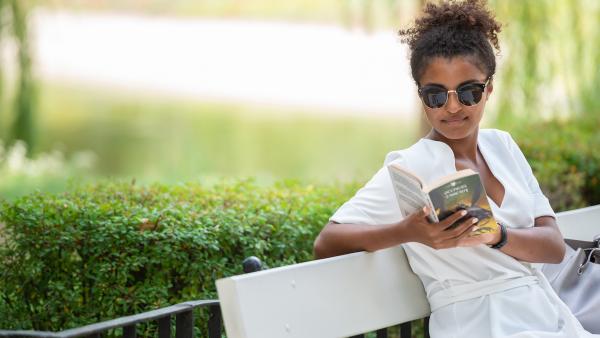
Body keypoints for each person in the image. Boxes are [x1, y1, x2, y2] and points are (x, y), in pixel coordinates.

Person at [313, 1, 598, 337]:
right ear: (421, 95)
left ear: (488, 88)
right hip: (480, 324)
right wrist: (410, 231)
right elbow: (327, 242)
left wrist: (496, 235)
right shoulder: (412, 165)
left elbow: (552, 246)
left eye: (468, 92)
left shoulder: (501, 147)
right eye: (435, 95)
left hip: (546, 316)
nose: (452, 107)